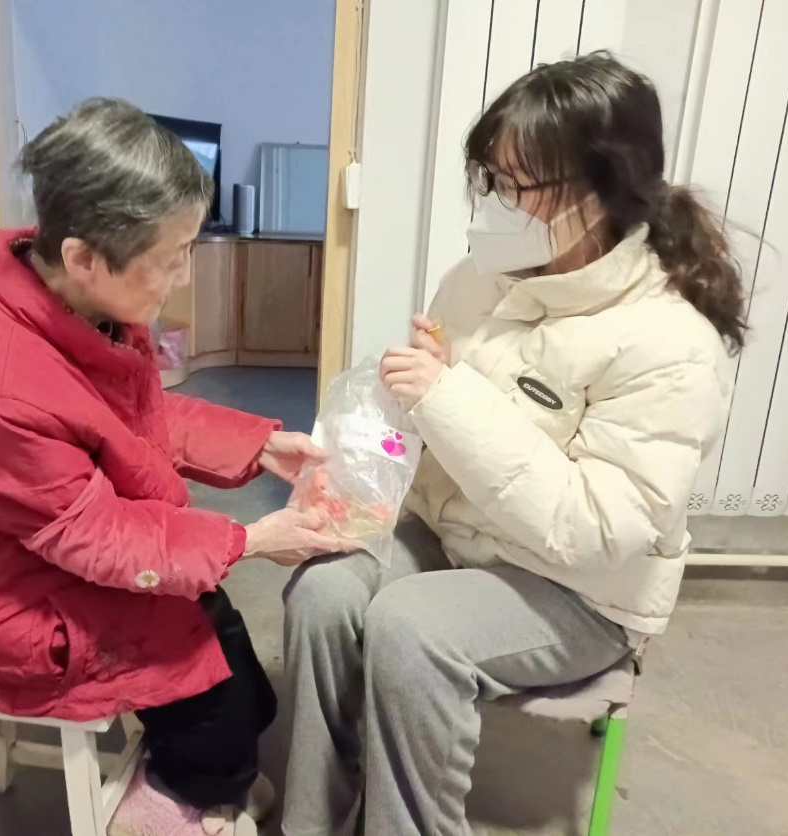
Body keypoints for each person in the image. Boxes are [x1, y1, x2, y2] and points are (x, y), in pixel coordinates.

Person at [281, 53, 746, 835]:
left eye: (519, 185)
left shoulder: (672, 343)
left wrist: (446, 396)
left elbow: (595, 529)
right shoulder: (478, 278)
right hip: (460, 535)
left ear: (601, 190)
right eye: (492, 179)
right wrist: (363, 460)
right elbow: (435, 426)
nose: (498, 204)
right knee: (324, 587)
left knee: (412, 627)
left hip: (579, 591)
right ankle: (312, 821)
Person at [0, 98, 346, 836]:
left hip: (54, 555)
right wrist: (250, 540)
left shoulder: (77, 303)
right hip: (11, 606)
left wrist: (261, 446)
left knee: (229, 654)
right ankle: (167, 799)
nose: (181, 276)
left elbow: (134, 421)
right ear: (83, 256)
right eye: (170, 259)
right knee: (216, 679)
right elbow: (96, 535)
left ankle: (208, 770)